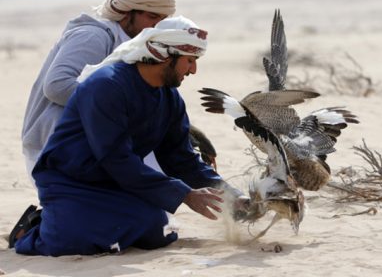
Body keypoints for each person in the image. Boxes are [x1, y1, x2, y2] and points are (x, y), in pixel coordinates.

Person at [10, 16, 245, 256]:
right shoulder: (106, 85)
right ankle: (31, 228)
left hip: (117, 181)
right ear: (164, 55)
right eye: (190, 60)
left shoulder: (170, 99)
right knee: (71, 243)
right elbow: (115, 157)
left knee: (159, 233)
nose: (193, 70)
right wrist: (184, 194)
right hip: (70, 180)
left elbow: (180, 159)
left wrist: (232, 195)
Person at [21, 0, 176, 182]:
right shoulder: (93, 36)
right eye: (151, 16)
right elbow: (57, 86)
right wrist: (121, 108)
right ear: (127, 12)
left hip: (101, 144)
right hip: (58, 149)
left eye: (162, 20)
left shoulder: (134, 45)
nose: (156, 26)